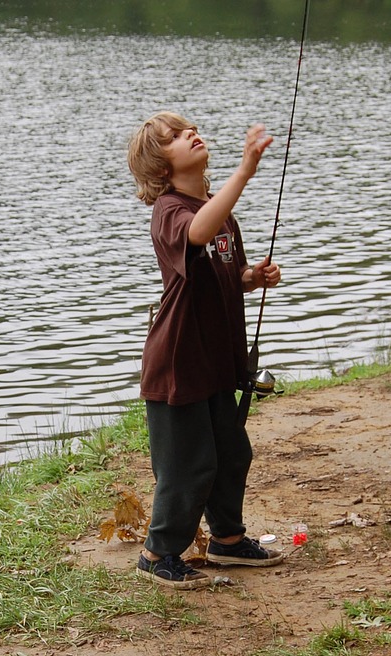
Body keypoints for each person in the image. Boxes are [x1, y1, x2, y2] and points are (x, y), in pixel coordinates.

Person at [126, 111, 285, 589]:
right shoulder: (171, 212)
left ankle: (228, 541)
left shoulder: (220, 214)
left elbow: (220, 271)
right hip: (178, 364)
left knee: (232, 453)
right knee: (188, 465)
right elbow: (195, 236)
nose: (190, 135)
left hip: (217, 363)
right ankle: (158, 553)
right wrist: (245, 172)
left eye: (189, 129)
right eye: (175, 137)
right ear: (160, 169)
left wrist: (250, 279)